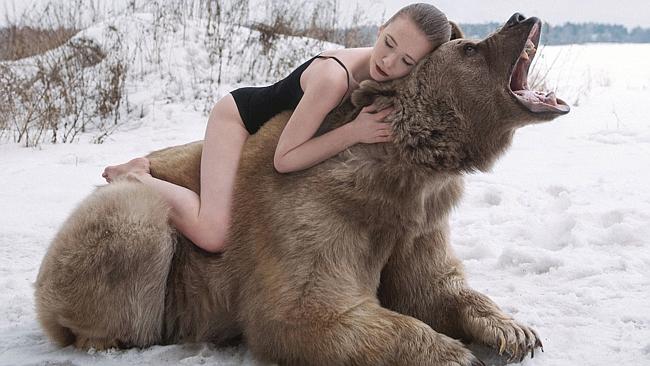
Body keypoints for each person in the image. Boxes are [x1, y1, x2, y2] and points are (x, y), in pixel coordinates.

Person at [102, 3, 452, 253]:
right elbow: (283, 159)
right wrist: (355, 132)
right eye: (388, 43)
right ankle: (136, 176)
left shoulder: (387, 71)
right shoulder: (333, 79)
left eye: (407, 61)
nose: (389, 62)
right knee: (214, 234)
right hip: (239, 118)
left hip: (276, 125)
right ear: (380, 30)